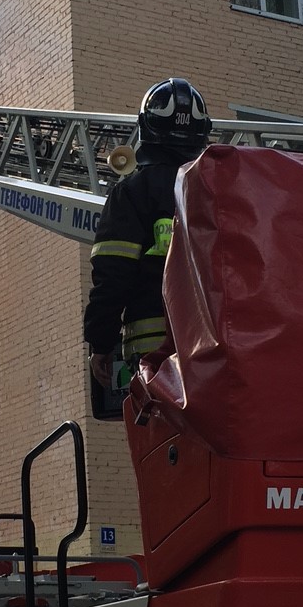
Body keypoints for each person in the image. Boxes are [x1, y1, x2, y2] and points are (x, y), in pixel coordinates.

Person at [84, 78, 212, 389]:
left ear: (147, 129)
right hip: (216, 351)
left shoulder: (132, 193)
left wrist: (100, 343)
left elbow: (113, 274)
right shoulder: (220, 190)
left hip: (155, 358)